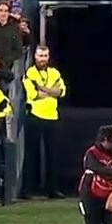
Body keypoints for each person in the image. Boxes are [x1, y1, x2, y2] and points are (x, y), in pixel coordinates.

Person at [21, 45, 66, 198]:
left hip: (52, 116)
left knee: (52, 155)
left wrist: (43, 88)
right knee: (31, 154)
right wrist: (50, 90)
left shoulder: (55, 72)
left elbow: (61, 92)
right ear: (35, 56)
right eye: (40, 56)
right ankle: (27, 190)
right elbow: (33, 94)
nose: (42, 59)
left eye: (45, 56)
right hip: (35, 115)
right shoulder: (30, 73)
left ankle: (52, 189)